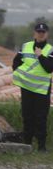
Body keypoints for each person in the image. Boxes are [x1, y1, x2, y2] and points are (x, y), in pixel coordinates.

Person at [12, 22, 53, 152]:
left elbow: (49, 68)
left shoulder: (50, 50)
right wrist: (20, 74)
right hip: (26, 87)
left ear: (47, 34)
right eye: (38, 32)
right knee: (27, 115)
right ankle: (27, 143)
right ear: (34, 33)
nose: (40, 34)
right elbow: (16, 62)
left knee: (40, 117)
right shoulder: (26, 46)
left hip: (42, 89)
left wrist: (40, 56)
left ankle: (41, 146)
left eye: (43, 32)